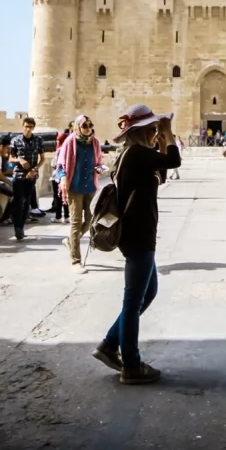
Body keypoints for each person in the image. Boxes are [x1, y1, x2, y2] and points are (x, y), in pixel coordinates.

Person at [92, 103, 180, 384]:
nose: (156, 133)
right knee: (133, 301)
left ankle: (109, 344)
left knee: (148, 291)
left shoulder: (132, 155)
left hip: (137, 233)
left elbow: (161, 174)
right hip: (138, 234)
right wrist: (169, 133)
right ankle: (131, 364)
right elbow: (174, 162)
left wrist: (162, 140)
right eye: (153, 129)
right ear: (141, 131)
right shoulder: (137, 154)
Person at [57, 116, 103, 272]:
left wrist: (103, 170)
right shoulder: (70, 143)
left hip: (90, 186)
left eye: (90, 125)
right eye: (84, 125)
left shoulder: (94, 143)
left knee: (91, 221)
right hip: (74, 187)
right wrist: (63, 178)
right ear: (77, 127)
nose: (88, 128)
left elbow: (98, 163)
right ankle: (76, 260)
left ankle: (71, 241)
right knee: (76, 222)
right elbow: (61, 165)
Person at [9, 117, 45, 241]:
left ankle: (22, 227)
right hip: (18, 174)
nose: (28, 129)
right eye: (26, 126)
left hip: (32, 175)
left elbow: (43, 159)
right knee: (17, 201)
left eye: (30, 126)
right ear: (23, 126)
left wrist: (35, 170)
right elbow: (10, 158)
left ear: (33, 127)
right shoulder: (16, 140)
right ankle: (17, 228)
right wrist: (19, 160)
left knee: (27, 202)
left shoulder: (38, 140)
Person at [50, 132, 70, 224]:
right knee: (65, 197)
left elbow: (55, 164)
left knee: (58, 197)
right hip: (66, 176)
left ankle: (58, 217)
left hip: (57, 177)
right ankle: (67, 216)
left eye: (58, 140)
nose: (57, 142)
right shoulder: (68, 149)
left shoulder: (60, 150)